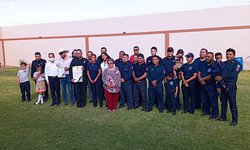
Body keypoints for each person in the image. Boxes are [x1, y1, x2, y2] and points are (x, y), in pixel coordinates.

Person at [215, 48, 242, 126]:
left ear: (234, 55)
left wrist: (222, 77)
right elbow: (219, 72)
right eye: (227, 54)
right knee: (223, 103)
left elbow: (233, 75)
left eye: (230, 54)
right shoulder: (224, 63)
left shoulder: (237, 64)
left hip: (231, 87)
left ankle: (234, 120)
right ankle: (223, 117)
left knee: (232, 103)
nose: (228, 56)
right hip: (222, 85)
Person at [198, 52, 218, 119]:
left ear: (212, 58)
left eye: (209, 57)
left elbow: (211, 75)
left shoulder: (214, 64)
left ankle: (214, 114)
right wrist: (200, 79)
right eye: (207, 56)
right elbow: (199, 72)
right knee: (204, 99)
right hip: (203, 85)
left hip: (211, 85)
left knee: (212, 100)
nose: (207, 58)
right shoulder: (203, 64)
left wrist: (202, 79)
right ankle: (206, 112)